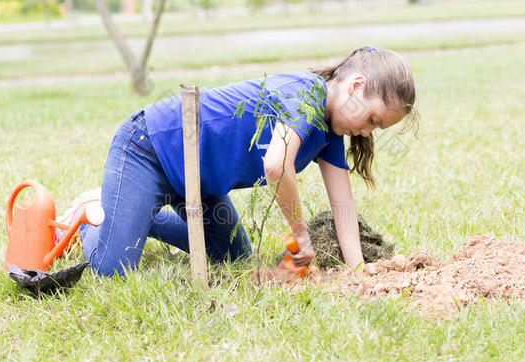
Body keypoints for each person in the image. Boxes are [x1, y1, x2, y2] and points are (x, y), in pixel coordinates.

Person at [59, 46, 417, 277]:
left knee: (232, 257)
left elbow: (343, 204)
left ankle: (140, 217)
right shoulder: (306, 94)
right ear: (355, 86)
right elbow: (276, 166)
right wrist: (301, 239)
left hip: (199, 184)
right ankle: (93, 214)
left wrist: (359, 272)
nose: (368, 133)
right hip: (149, 149)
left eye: (377, 128)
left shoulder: (330, 134)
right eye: (372, 120)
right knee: (111, 270)